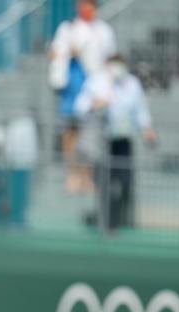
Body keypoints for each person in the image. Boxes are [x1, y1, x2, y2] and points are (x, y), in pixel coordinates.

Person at [75, 54, 156, 231]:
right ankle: (108, 223)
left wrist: (147, 129)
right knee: (106, 183)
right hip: (103, 141)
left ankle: (123, 220)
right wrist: (94, 104)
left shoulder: (132, 83)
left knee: (125, 182)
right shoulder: (97, 81)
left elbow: (140, 110)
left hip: (123, 141)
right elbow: (80, 106)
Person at [49, 0, 116, 193]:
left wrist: (106, 90)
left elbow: (109, 60)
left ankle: (87, 176)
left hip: (92, 89)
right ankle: (72, 174)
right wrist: (69, 52)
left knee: (89, 137)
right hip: (72, 87)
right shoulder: (68, 29)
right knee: (70, 133)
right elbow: (54, 53)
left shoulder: (104, 31)